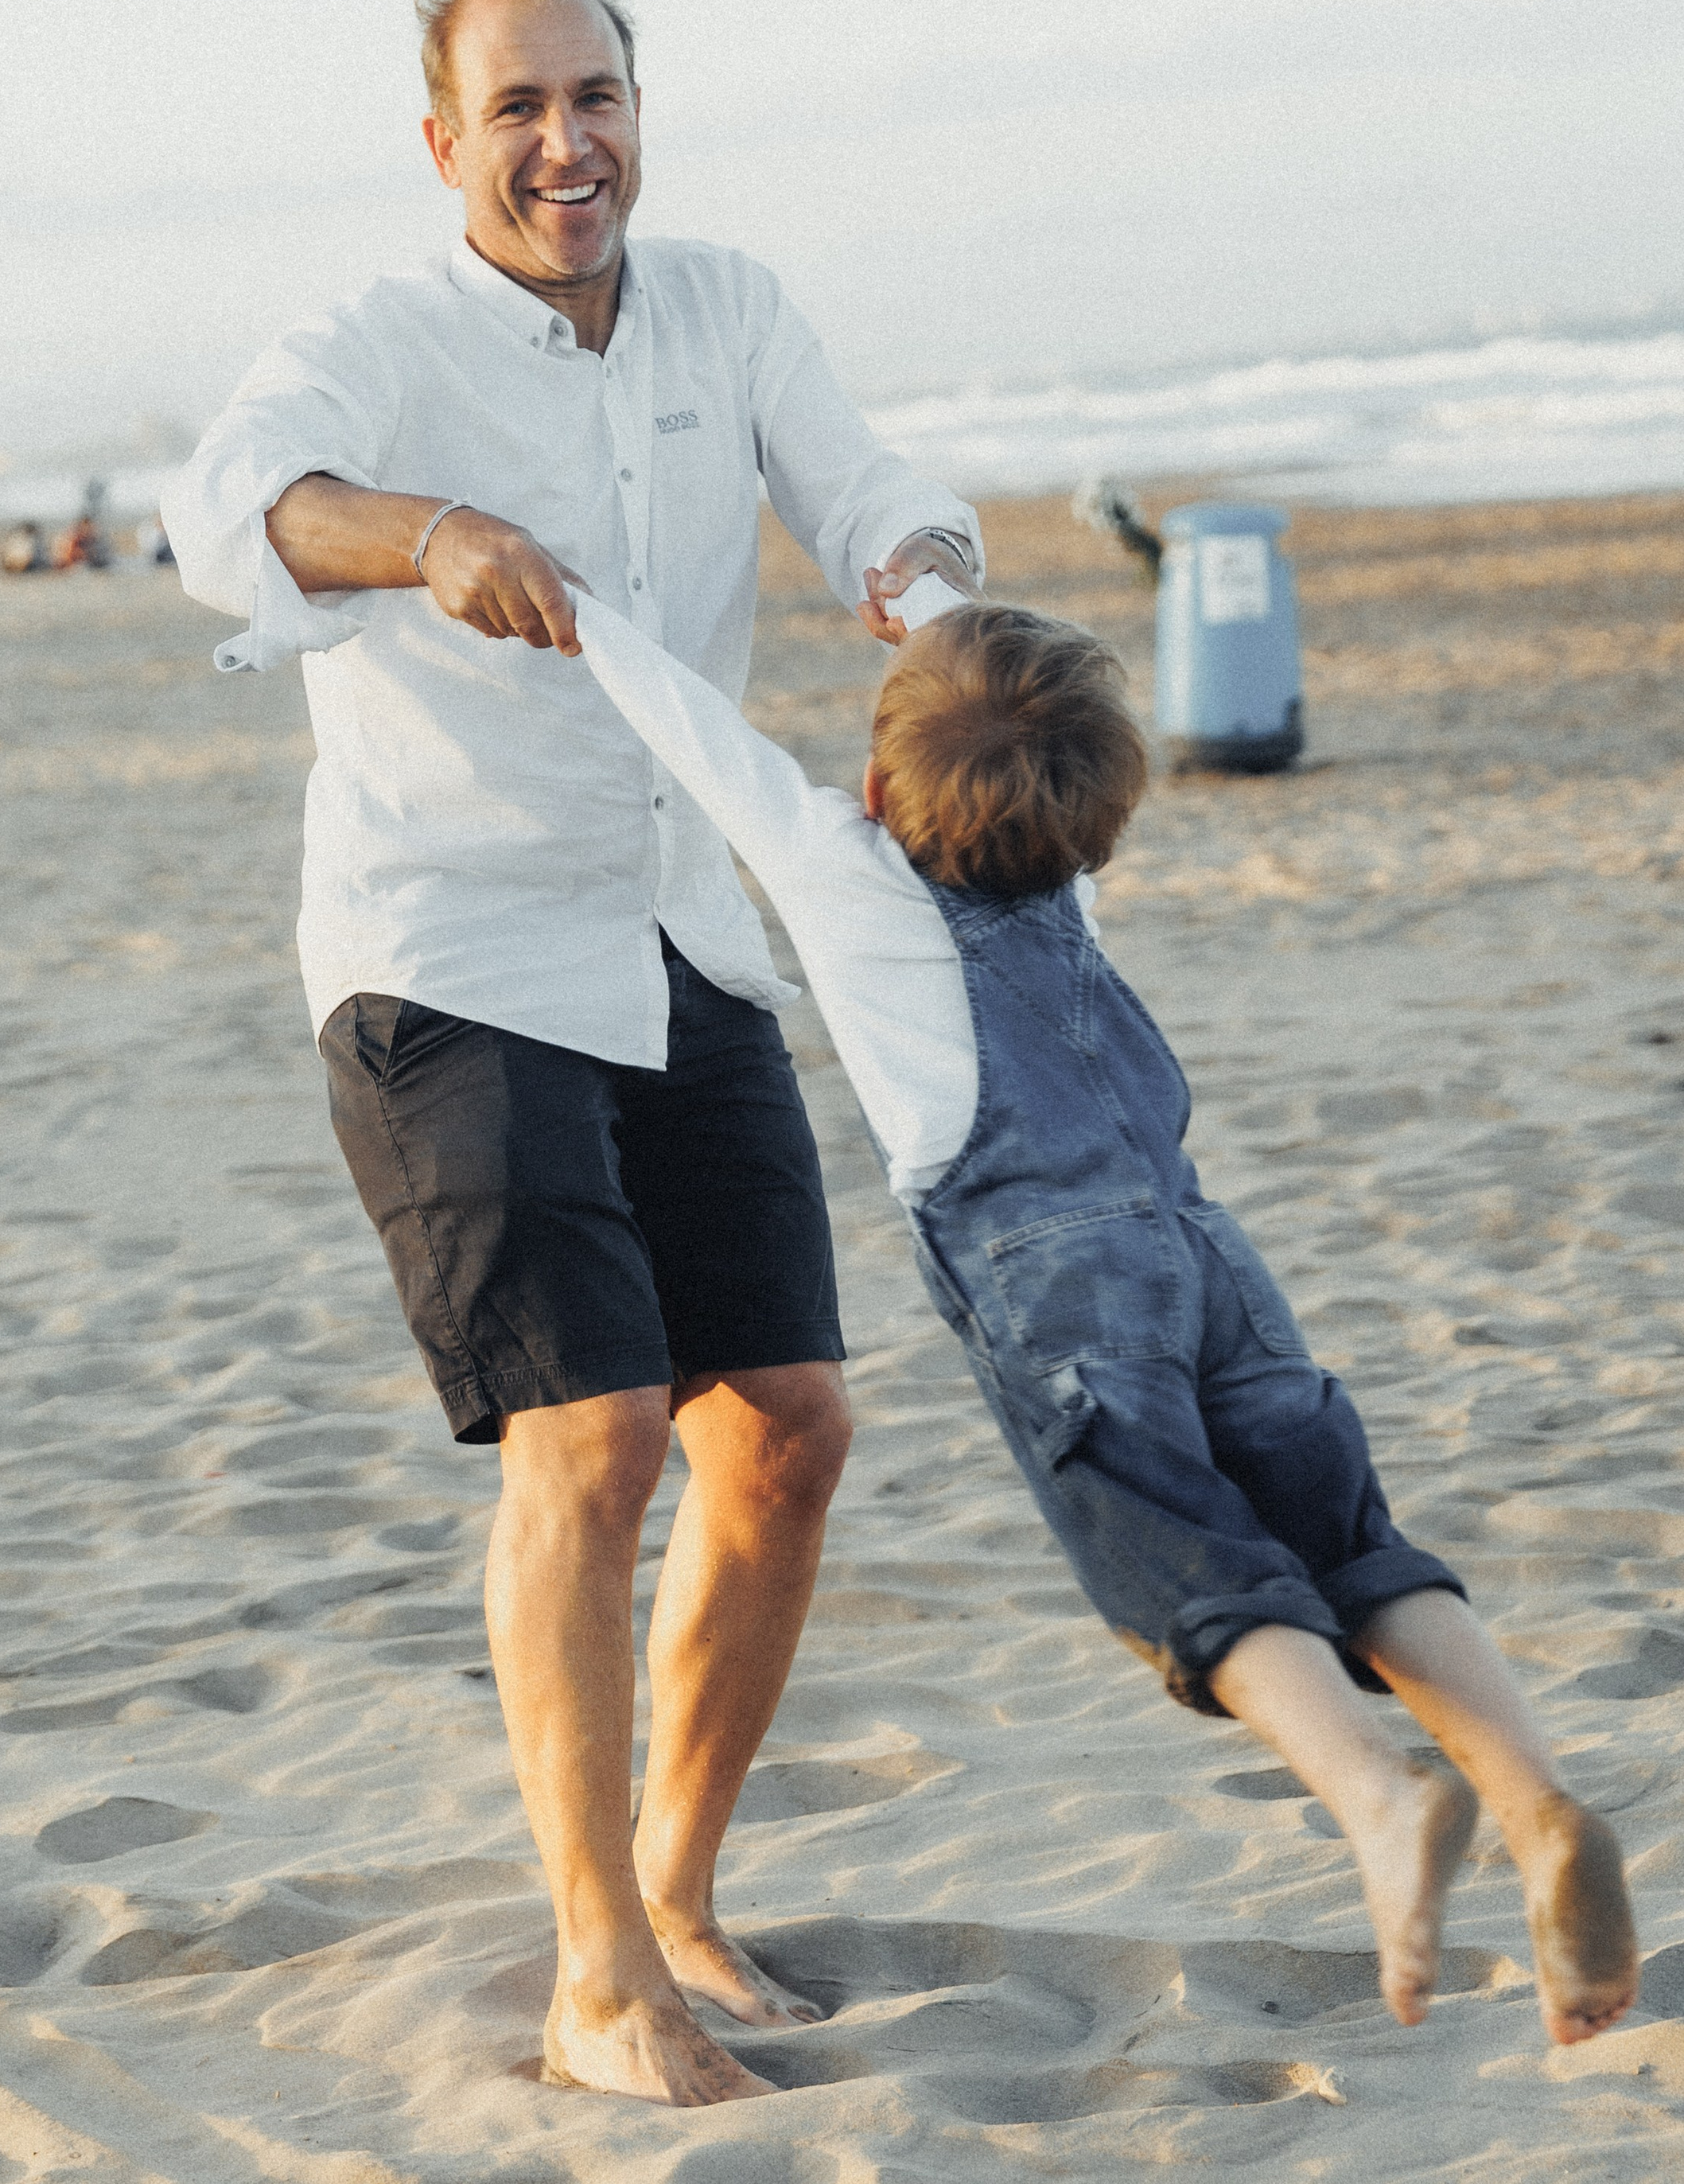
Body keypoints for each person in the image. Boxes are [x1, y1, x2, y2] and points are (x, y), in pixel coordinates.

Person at [161, 0, 984, 2105]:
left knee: (789, 1425)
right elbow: (225, 512)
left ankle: (678, 1889)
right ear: (447, 144)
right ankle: (596, 1980)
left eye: (594, 96)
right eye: (516, 109)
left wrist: (925, 598)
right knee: (596, 1436)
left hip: (680, 933)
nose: (564, 141)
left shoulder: (730, 311)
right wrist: (425, 536)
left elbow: (868, 495)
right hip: (446, 957)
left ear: (640, 108)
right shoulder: (377, 341)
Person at [554, 580, 1641, 2045]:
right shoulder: (1069, 882)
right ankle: (1533, 1792)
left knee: (1187, 1563)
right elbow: (1028, 721)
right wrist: (942, 596)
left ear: (878, 789)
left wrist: (571, 608)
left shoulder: (847, 865)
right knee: (1347, 1535)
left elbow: (704, 741)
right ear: (1097, 806)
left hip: (1056, 1280)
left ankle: (1380, 1800)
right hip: (1207, 1252)